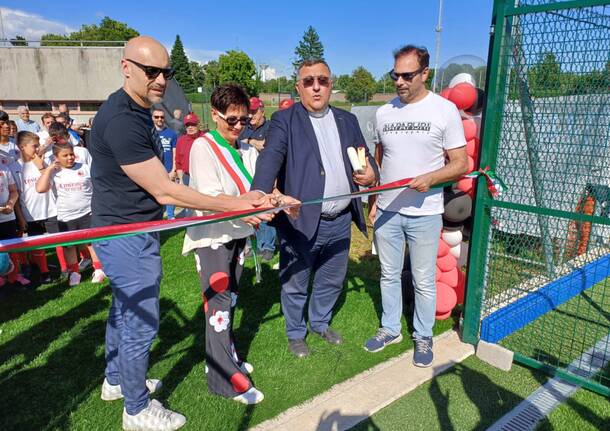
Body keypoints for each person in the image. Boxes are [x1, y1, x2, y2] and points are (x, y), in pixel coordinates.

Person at [88, 35, 271, 431]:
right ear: (126, 67)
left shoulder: (136, 111)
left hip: (132, 227)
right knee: (140, 319)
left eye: (165, 72)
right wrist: (241, 204)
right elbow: (166, 190)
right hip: (126, 232)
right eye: (150, 71)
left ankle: (117, 380)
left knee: (124, 310)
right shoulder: (122, 118)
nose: (160, 79)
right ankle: (136, 408)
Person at [249, 59, 379, 358]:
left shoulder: (348, 120)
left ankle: (319, 323)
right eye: (308, 81)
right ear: (299, 87)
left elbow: (366, 157)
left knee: (332, 279)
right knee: (295, 282)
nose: (316, 86)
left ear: (331, 83)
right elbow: (271, 156)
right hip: (301, 221)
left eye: (322, 80)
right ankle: (296, 333)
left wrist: (372, 174)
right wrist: (259, 191)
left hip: (341, 219)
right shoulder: (285, 120)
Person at [182, 85, 292, 405]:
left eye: (243, 120)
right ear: (214, 115)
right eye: (231, 119)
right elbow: (211, 198)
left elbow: (258, 192)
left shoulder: (246, 150)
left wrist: (277, 201)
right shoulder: (204, 147)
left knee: (227, 304)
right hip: (213, 238)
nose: (238, 125)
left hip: (238, 235)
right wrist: (250, 206)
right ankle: (226, 380)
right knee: (217, 309)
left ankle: (225, 360)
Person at [365, 45, 468, 367]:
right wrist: (373, 200)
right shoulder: (384, 113)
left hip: (425, 213)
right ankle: (390, 329)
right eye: (395, 75)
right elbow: (380, 162)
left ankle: (423, 335)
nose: (399, 81)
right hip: (388, 211)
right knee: (388, 274)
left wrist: (432, 178)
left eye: (407, 75)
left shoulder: (444, 110)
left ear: (425, 74)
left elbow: (461, 163)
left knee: (423, 279)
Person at [35, 139, 106, 286]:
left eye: (71, 154)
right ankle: (74, 272)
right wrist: (48, 170)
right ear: (56, 158)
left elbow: (98, 186)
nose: (70, 158)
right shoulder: (54, 172)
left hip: (88, 212)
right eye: (65, 155)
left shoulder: (85, 167)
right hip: (65, 216)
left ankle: (98, 269)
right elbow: (40, 189)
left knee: (91, 243)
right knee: (69, 246)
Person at [11, 131, 57, 284]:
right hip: (30, 213)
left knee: (58, 241)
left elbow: (49, 185)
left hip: (51, 209)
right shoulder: (14, 167)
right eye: (34, 146)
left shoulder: (41, 162)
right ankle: (44, 272)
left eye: (38, 146)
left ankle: (68, 268)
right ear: (22, 147)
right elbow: (16, 195)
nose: (37, 149)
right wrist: (21, 217)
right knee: (37, 245)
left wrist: (42, 167)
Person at [238, 97, 276, 261]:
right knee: (249, 210)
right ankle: (251, 244)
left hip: (267, 174)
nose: (251, 115)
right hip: (247, 174)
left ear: (263, 111)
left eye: (254, 111)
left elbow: (268, 146)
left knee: (266, 210)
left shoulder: (271, 127)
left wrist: (251, 142)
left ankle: (267, 246)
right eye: (249, 112)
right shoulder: (244, 128)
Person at [152, 109, 178, 219]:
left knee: (170, 194)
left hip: (168, 169)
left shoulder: (171, 134)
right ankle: (156, 217)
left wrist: (174, 170)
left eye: (162, 117)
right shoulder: (149, 133)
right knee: (155, 194)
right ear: (152, 118)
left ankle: (171, 217)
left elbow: (175, 153)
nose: (159, 119)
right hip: (154, 170)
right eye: (157, 117)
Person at [175, 113, 204, 186]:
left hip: (204, 177)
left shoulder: (206, 138)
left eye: (193, 124)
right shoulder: (181, 141)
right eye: (188, 125)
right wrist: (181, 180)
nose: (190, 127)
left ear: (198, 124)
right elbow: (178, 163)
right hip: (187, 177)